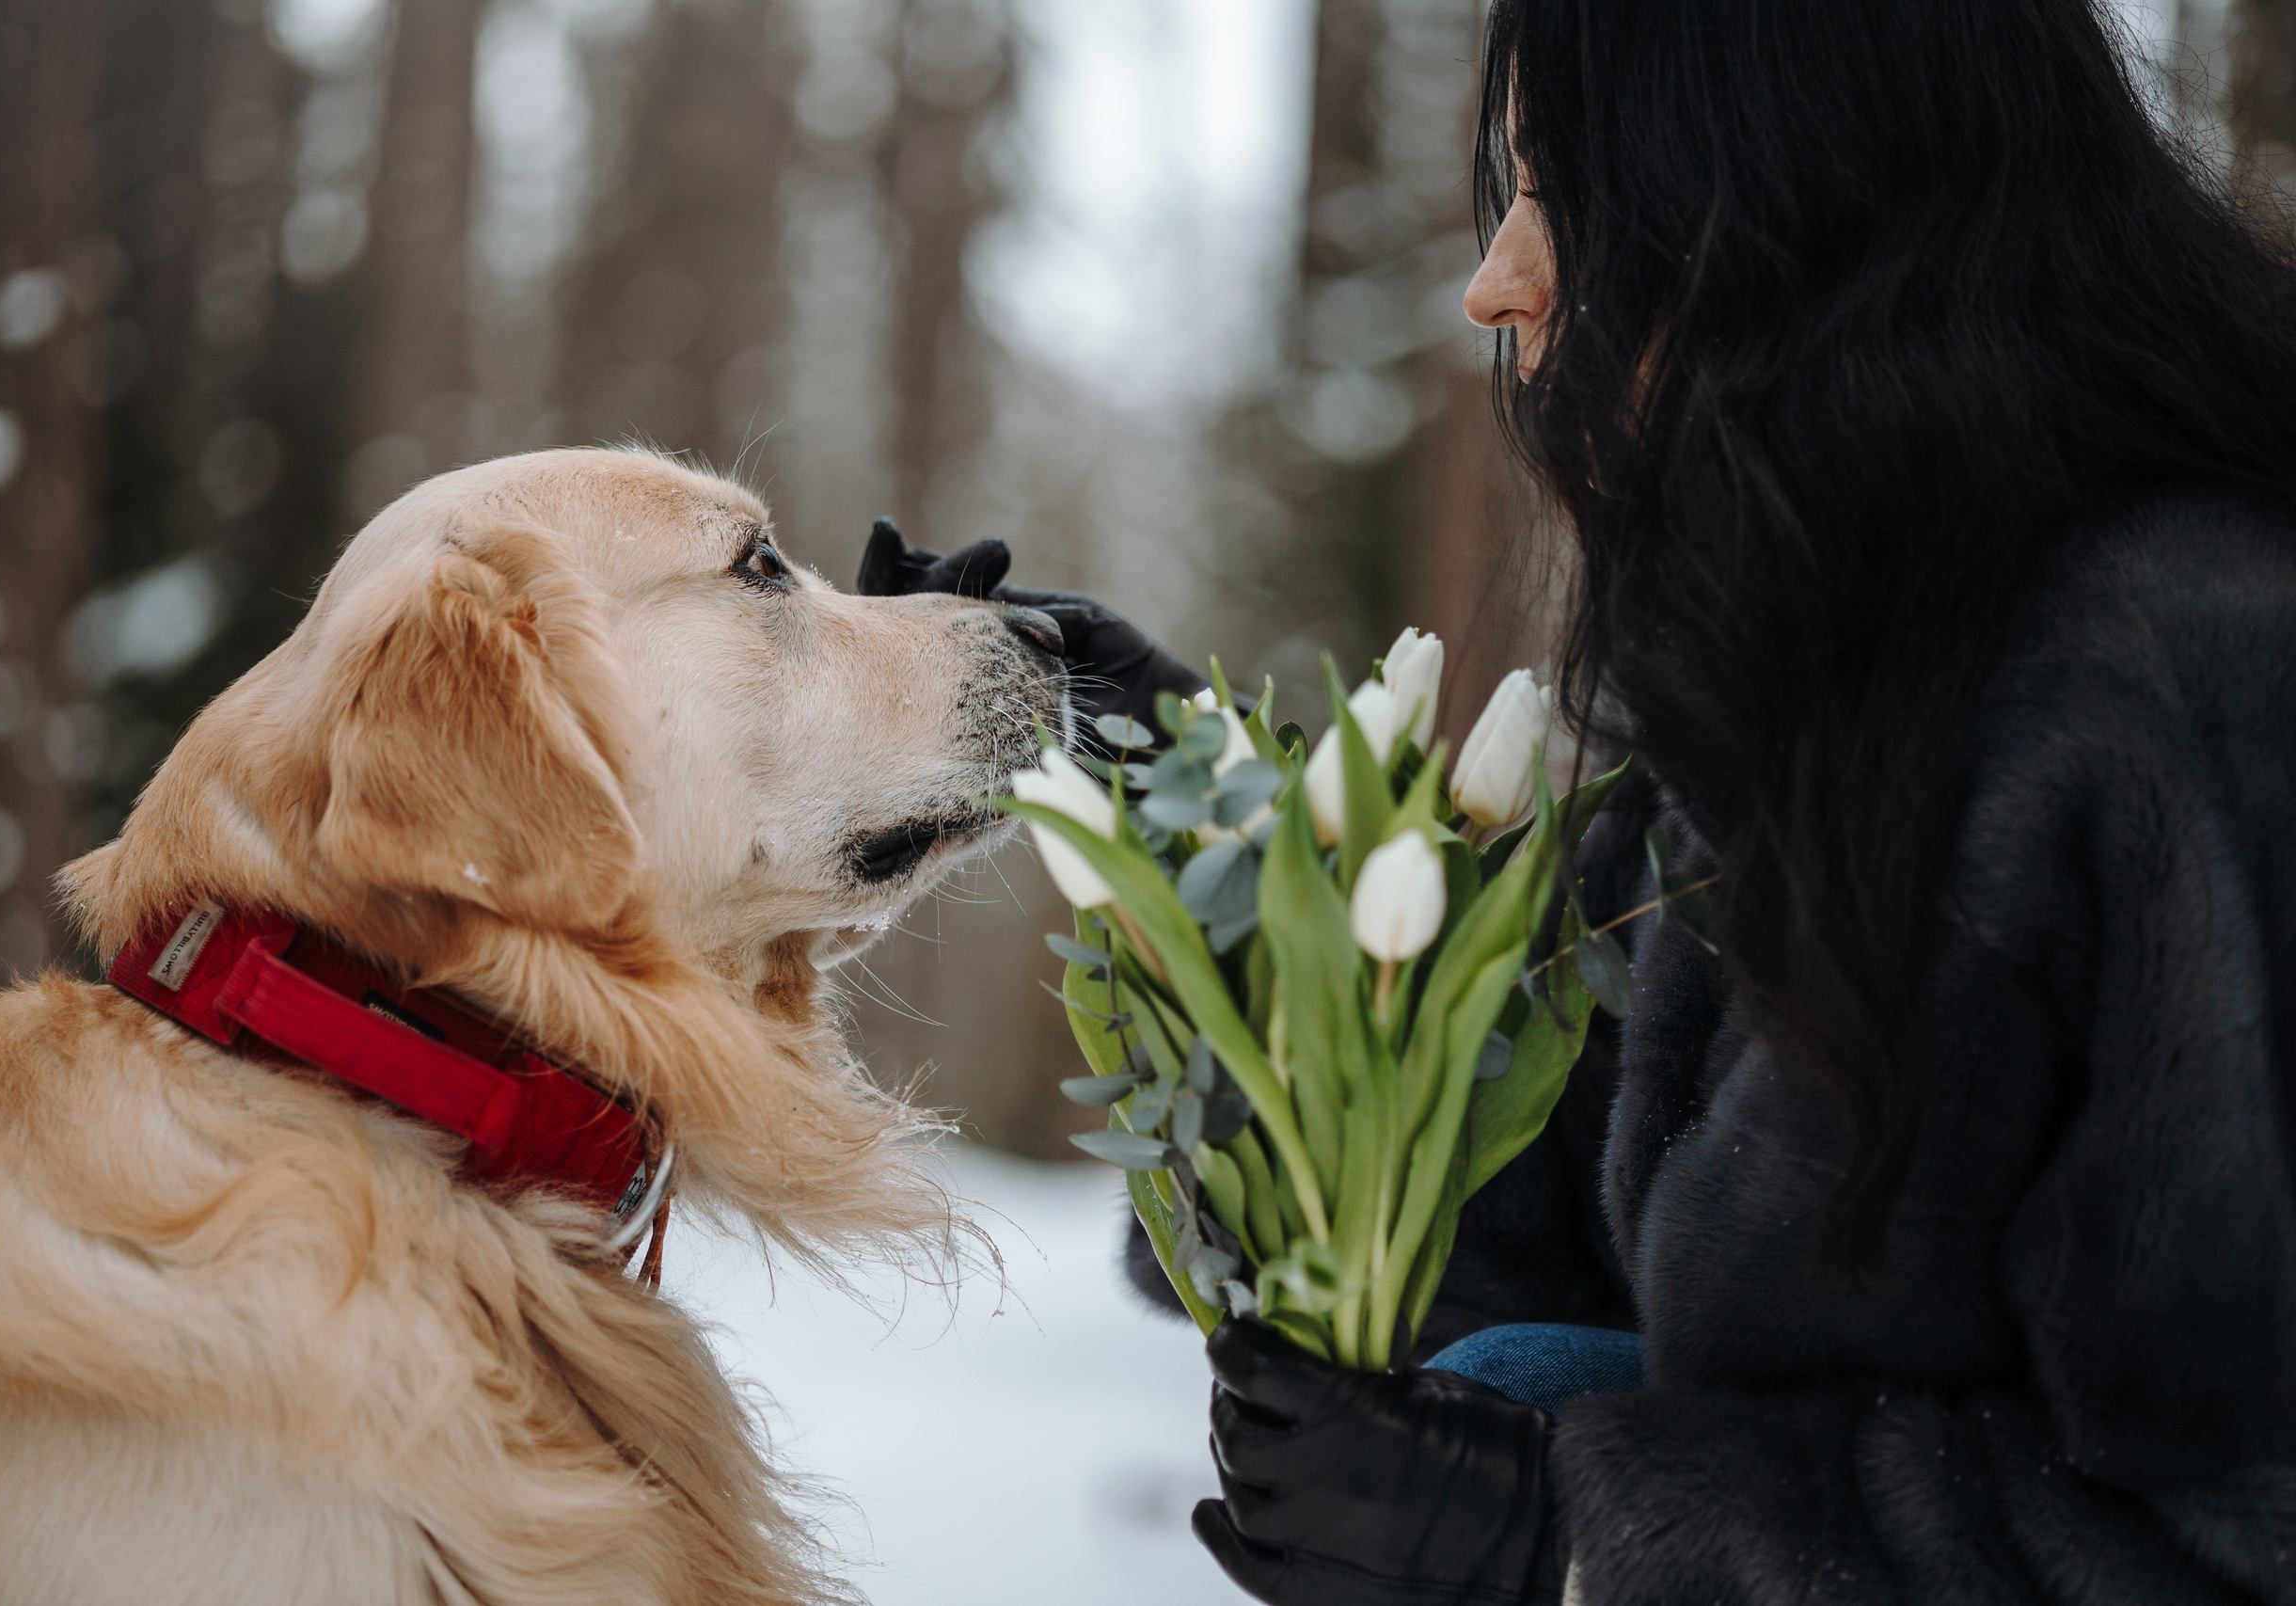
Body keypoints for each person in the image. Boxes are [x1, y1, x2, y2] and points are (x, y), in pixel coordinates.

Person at [865, 0, 2296, 1598]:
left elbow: (2237, 1528)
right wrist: (1184, 803)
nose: (1499, 280)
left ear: (1783, 191)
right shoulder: (1808, 705)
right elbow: (1476, 1193)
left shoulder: (2196, 692)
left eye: (1562, 187)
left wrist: (1570, 1538)